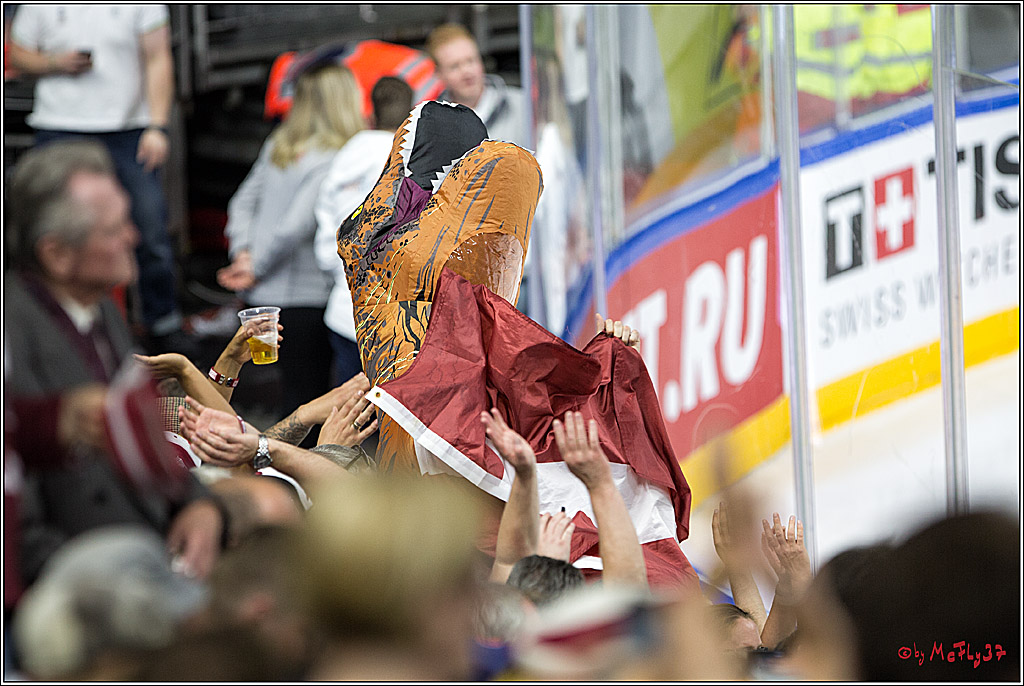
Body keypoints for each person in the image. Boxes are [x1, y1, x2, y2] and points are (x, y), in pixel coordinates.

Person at [4, 140, 225, 585]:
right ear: (56, 254)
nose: (133, 237)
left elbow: (144, 433)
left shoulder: (101, 309)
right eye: (114, 229)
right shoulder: (15, 333)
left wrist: (199, 506)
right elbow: (21, 529)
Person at [7, 4, 186, 353]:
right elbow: (17, 55)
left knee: (148, 230)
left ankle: (162, 324)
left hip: (128, 132)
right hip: (59, 128)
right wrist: (54, 62)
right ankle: (42, 327)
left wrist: (157, 126)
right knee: (46, 234)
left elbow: (158, 58)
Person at [217, 62, 364, 431]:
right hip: (306, 297)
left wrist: (242, 253)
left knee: (285, 391)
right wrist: (255, 266)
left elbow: (242, 202)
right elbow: (296, 227)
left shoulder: (278, 145)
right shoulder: (338, 157)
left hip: (263, 296)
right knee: (310, 403)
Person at [314, 76, 414, 387]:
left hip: (343, 311)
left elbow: (326, 239)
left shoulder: (345, 158)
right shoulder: (409, 162)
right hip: (390, 317)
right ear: (411, 116)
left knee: (348, 409)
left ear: (371, 114)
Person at [425, 23, 525, 146]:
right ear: (438, 73)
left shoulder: (523, 104)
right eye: (454, 66)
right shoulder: (432, 126)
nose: (466, 72)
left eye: (470, 61)